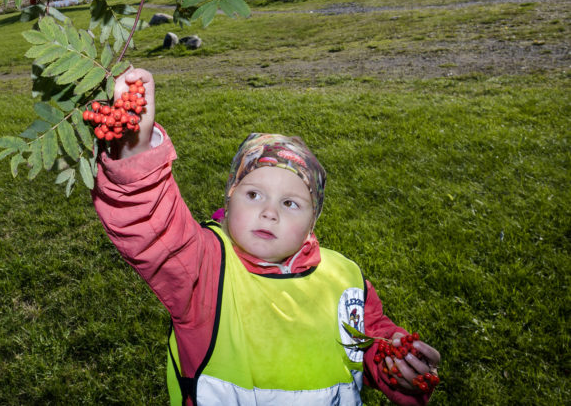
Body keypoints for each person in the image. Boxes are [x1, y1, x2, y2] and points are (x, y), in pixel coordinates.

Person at [92, 68, 441, 405]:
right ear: (229, 200)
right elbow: (153, 227)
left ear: (312, 222)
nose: (269, 212)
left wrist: (395, 363)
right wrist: (136, 153)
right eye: (254, 195)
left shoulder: (346, 277)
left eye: (290, 203)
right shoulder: (203, 270)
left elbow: (370, 339)